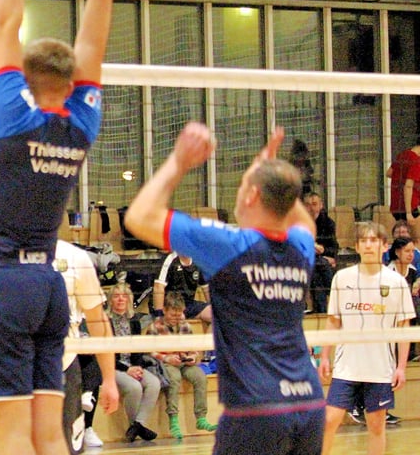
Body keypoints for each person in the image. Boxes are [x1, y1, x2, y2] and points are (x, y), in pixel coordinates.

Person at [0, 0, 127, 455]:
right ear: (74, 83)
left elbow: (6, 20)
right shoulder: (81, 125)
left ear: (26, 81)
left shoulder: (11, 117)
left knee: (6, 440)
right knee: (48, 439)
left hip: (1, 287)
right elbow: (95, 47)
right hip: (48, 287)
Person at [125, 123, 326, 455]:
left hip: (255, 410)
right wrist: (276, 180)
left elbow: (140, 216)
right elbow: (306, 224)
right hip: (308, 404)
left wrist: (179, 161)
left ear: (251, 195)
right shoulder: (301, 248)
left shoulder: (229, 245)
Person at [318, 222, 414, 455]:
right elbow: (333, 320)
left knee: (376, 425)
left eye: (374, 241)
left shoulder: (396, 282)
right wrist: (324, 357)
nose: (369, 245)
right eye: (364, 241)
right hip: (346, 367)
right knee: (330, 420)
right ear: (358, 247)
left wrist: (401, 367)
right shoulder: (342, 278)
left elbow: (404, 327)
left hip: (380, 368)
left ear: (383, 246)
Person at [55, 240, 117, 455]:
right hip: (17, 370)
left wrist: (109, 380)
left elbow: (98, 321)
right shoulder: (2, 252)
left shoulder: (74, 257)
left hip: (64, 366)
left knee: (67, 448)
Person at [146, 292, 217, 440]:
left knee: (200, 376)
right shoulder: (154, 327)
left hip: (183, 361)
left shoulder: (185, 325)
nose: (176, 318)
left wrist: (193, 356)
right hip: (166, 363)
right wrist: (167, 358)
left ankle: (201, 418)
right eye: (173, 315)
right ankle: (173, 420)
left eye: (179, 315)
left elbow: (193, 348)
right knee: (174, 377)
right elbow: (149, 352)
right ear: (164, 311)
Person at [105, 282, 160, 443]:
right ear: (110, 300)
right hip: (113, 366)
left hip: (132, 365)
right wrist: (127, 369)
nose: (121, 299)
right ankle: (135, 426)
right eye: (116, 296)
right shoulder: (105, 321)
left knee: (154, 383)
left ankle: (137, 425)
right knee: (134, 387)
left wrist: (137, 366)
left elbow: (137, 349)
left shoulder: (134, 320)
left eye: (124, 296)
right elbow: (107, 354)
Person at [152, 252, 212, 325]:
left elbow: (206, 288)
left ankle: (211, 336)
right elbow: (158, 288)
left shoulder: (198, 260)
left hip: (188, 304)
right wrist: (159, 315)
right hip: (169, 304)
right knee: (179, 317)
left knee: (215, 315)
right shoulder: (170, 259)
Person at [304, 192, 339, 314]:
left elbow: (334, 249)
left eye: (314, 204)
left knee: (317, 274)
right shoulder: (298, 223)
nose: (311, 208)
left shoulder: (328, 223)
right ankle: (331, 289)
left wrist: (323, 250)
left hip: (318, 264)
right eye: (308, 205)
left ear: (321, 206)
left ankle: (319, 312)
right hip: (302, 261)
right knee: (320, 264)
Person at [388, 138, 420, 223]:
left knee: (403, 234)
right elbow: (408, 186)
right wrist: (409, 213)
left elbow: (389, 173)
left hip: (395, 207)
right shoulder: (416, 161)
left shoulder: (402, 155)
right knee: (416, 236)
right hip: (409, 208)